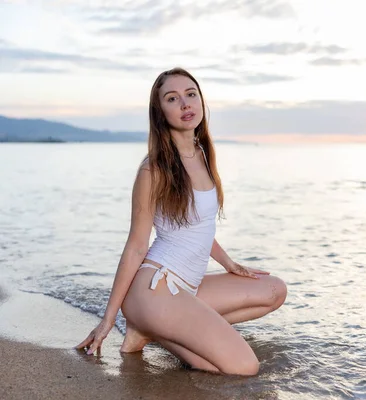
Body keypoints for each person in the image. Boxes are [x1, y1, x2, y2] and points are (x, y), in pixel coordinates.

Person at [76, 67, 287, 376]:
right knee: (245, 368)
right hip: (154, 288)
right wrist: (108, 319)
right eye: (172, 98)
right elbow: (136, 246)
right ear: (160, 112)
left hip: (188, 287)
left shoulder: (203, 154)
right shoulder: (153, 170)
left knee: (274, 290)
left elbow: (198, 226)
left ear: (201, 101)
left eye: (191, 94)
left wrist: (230, 264)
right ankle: (149, 325)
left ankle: (155, 331)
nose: (185, 104)